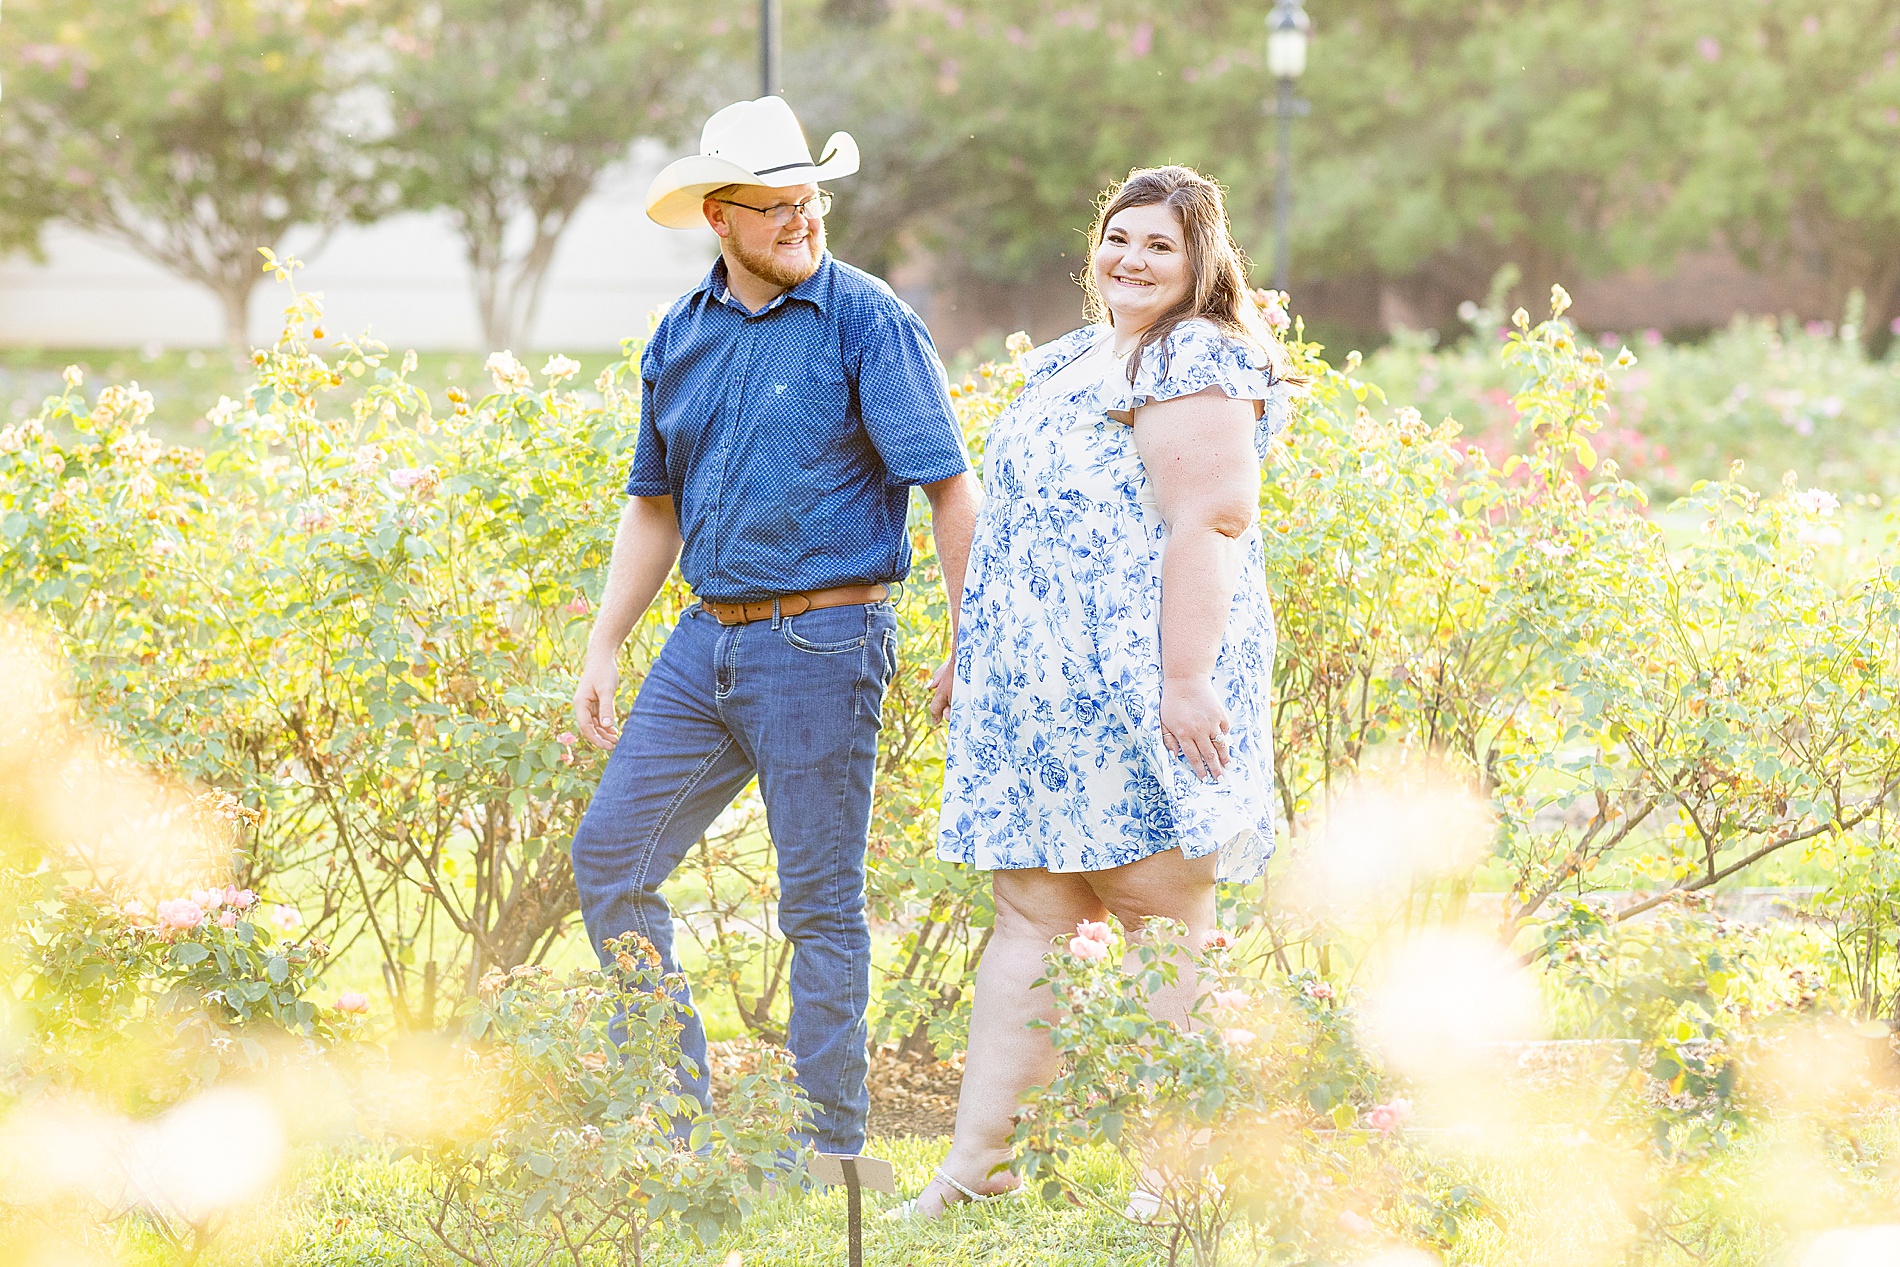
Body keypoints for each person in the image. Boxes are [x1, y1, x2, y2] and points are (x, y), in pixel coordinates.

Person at [569, 96, 979, 1157]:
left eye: (811, 201)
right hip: (704, 642)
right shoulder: (680, 334)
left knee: (818, 907)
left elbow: (948, 487)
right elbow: (653, 503)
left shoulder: (866, 317)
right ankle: (671, 1117)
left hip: (825, 642)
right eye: (776, 206)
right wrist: (607, 641)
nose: (802, 221)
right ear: (719, 216)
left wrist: (972, 639)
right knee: (611, 859)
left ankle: (827, 1147)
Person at [912, 165, 1295, 1215]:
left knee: (1157, 907)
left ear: (1199, 262)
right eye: (1118, 237)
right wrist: (975, 647)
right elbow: (1022, 528)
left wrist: (1182, 679)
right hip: (1040, 689)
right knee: (1029, 909)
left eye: (1159, 245)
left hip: (1141, 680)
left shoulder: (1198, 356)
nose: (1130, 258)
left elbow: (1208, 520)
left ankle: (1175, 1184)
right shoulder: (1079, 357)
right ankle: (975, 1170)